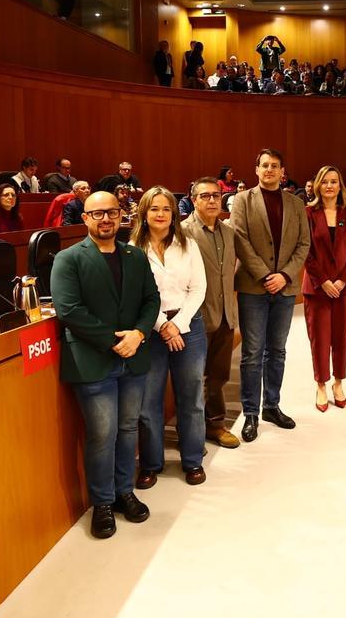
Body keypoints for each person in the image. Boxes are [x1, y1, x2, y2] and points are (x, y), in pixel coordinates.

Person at [51, 191, 160, 539]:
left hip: (134, 359)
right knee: (102, 434)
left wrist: (140, 334)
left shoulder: (135, 255)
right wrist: (117, 341)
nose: (105, 219)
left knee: (128, 429)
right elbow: (69, 312)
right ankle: (101, 502)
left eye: (111, 212)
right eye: (97, 214)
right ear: (84, 219)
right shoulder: (68, 259)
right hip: (93, 360)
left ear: (120, 215)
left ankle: (123, 492)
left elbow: (151, 299)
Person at [230, 148, 311, 443]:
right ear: (256, 169)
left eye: (275, 166)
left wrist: (285, 275)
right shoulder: (242, 200)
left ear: (282, 171)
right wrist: (265, 275)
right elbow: (239, 238)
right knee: (252, 353)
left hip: (285, 287)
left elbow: (304, 243)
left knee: (277, 350)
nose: (269, 170)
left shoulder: (295, 202)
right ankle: (250, 412)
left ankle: (271, 406)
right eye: (264, 165)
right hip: (254, 286)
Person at [130, 187, 208, 490]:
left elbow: (198, 288)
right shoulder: (134, 247)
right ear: (144, 213)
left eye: (166, 209)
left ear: (174, 213)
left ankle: (192, 460)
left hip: (189, 326)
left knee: (191, 397)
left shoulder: (188, 244)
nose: (160, 214)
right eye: (154, 209)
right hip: (151, 331)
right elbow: (137, 294)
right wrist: (164, 325)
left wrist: (179, 324)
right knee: (149, 402)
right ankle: (151, 464)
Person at [182, 177, 241, 449]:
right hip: (195, 317)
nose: (212, 200)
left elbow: (232, 269)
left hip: (226, 315)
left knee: (218, 376)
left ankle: (215, 425)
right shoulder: (182, 232)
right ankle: (190, 433)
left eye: (216, 196)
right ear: (193, 200)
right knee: (193, 379)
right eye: (205, 196)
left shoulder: (229, 232)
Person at [303, 166, 346, 412]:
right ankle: (321, 384)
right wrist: (324, 280)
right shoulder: (308, 213)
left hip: (344, 288)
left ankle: (338, 382)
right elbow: (304, 250)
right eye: (325, 181)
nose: (329, 186)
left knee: (340, 338)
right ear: (318, 185)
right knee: (320, 339)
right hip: (317, 288)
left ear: (340, 186)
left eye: (334, 182)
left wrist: (340, 281)